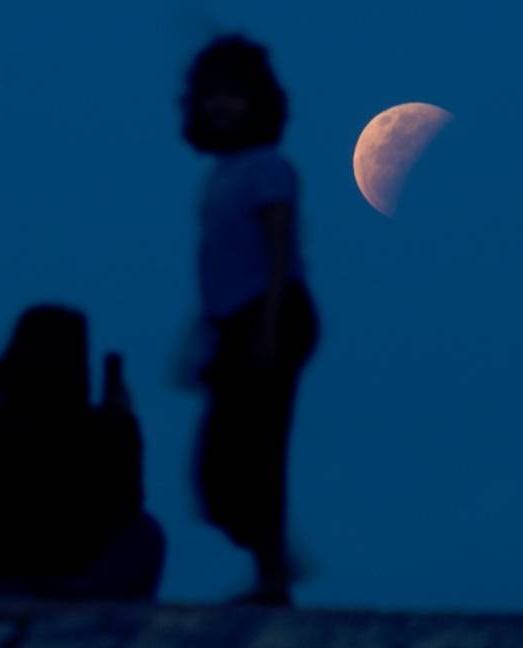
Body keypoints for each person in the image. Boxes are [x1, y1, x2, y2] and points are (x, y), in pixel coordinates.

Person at [179, 35, 319, 606]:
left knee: (255, 451)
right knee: (220, 467)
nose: (222, 107)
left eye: (234, 95)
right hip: (234, 323)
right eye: (213, 95)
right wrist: (206, 333)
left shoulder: (268, 168)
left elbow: (280, 249)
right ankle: (274, 559)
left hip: (272, 317)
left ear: (258, 101)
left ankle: (273, 576)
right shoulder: (225, 171)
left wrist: (267, 330)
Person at [0, 305, 163, 599]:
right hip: (53, 574)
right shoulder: (101, 429)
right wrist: (124, 426)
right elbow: (125, 501)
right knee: (144, 533)